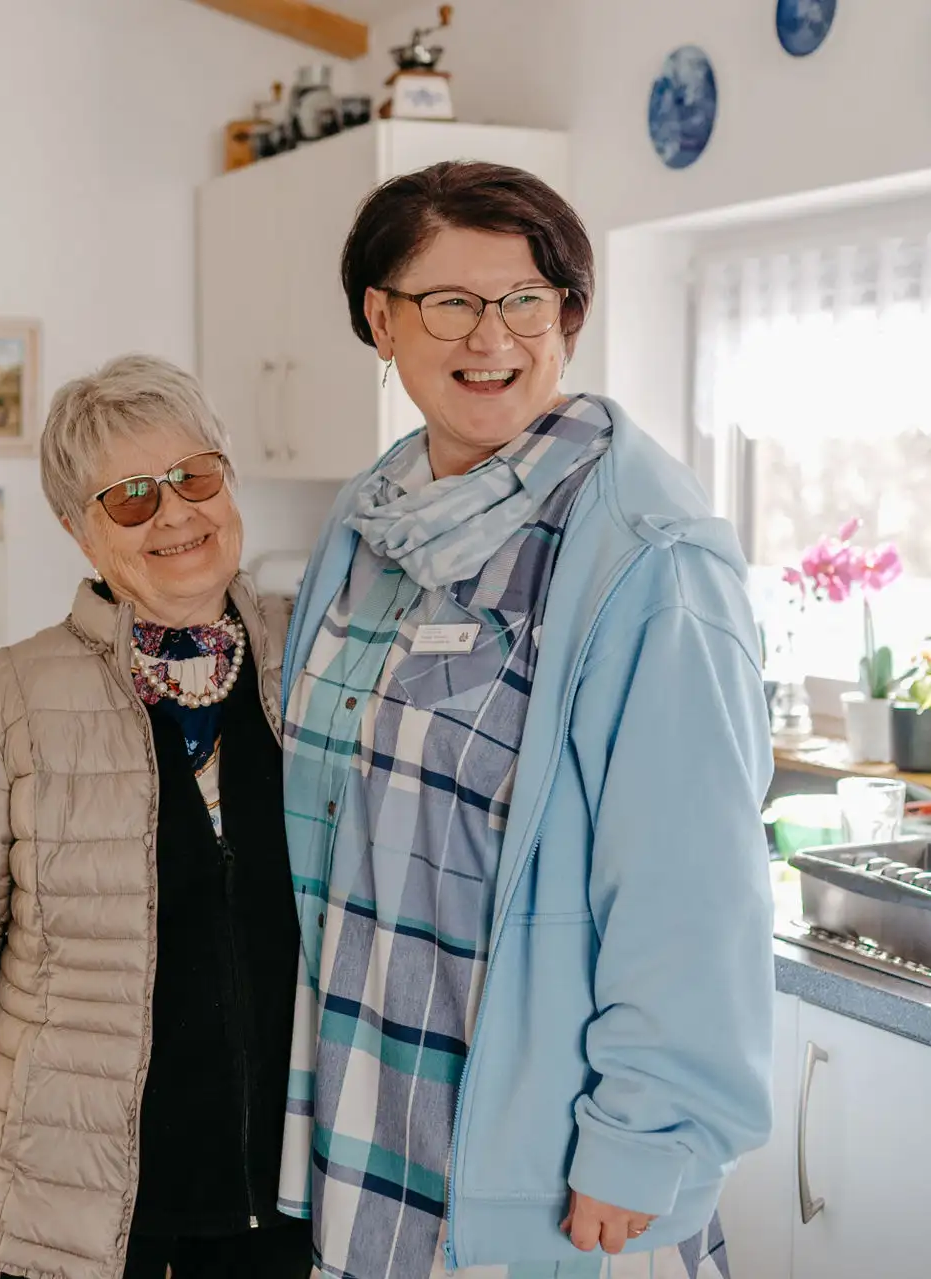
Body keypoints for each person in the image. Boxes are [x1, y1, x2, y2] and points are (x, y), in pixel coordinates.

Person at [275, 161, 775, 1279]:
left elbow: (696, 891)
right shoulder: (370, 523)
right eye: (448, 301)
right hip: (369, 1130)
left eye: (525, 301)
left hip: (547, 1180)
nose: (488, 336)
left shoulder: (647, 559)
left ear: (570, 317)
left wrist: (645, 1140)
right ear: (380, 320)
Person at [0, 355, 310, 1279]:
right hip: (77, 1208)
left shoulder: (318, 661)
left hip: (293, 1192)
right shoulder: (1, 702)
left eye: (194, 476)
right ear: (79, 531)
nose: (174, 514)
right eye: (128, 497)